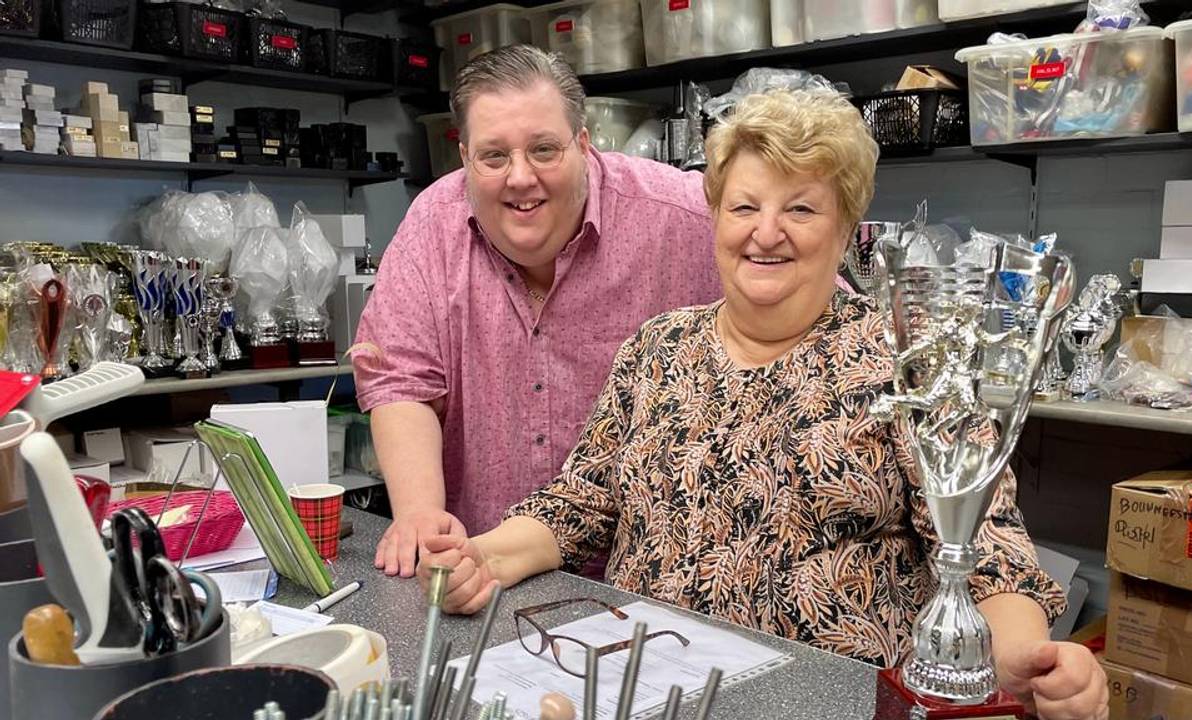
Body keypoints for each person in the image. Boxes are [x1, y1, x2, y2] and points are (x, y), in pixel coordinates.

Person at [416, 87, 1109, 719]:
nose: (766, 232)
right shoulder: (656, 349)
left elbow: (987, 549)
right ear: (715, 219)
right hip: (643, 695)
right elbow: (582, 505)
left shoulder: (911, 358)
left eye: (801, 208)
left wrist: (1028, 666)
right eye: (744, 207)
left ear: (846, 230)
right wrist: (481, 557)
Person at [353, 45, 721, 577]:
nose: (520, 177)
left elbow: (812, 294)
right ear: (465, 158)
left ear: (584, 144)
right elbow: (402, 381)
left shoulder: (683, 217)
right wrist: (419, 514)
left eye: (544, 150)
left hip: (645, 588)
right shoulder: (433, 224)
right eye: (495, 156)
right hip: (483, 574)